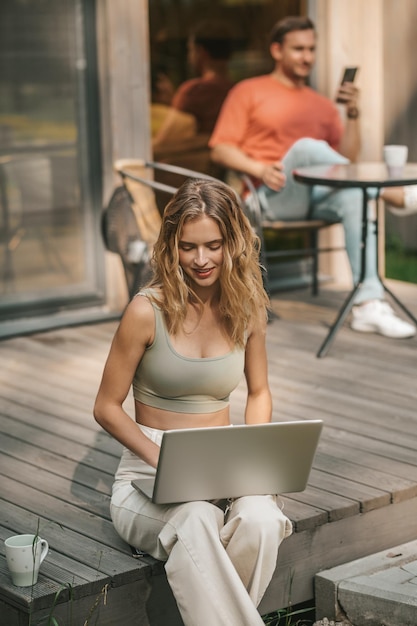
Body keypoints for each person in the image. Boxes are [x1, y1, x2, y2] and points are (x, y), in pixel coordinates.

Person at [94, 178, 292, 626]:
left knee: (261, 519)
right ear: (171, 246)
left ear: (233, 243)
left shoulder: (248, 308)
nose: (201, 260)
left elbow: (259, 392)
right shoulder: (147, 311)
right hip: (145, 474)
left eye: (213, 245)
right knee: (197, 520)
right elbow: (106, 406)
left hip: (222, 464)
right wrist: (162, 459)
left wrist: (257, 456)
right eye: (188, 247)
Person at [210, 15, 416, 339]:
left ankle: (368, 306)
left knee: (352, 194)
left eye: (311, 49)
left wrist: (353, 114)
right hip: (271, 195)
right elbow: (220, 149)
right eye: (298, 49)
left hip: (316, 198)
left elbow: (345, 162)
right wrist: (258, 168)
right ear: (276, 51)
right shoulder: (248, 91)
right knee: (307, 148)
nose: (307, 57)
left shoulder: (322, 105)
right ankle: (397, 196)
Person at [153, 20, 234, 148]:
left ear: (200, 52)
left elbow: (165, 141)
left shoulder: (194, 91)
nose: (189, 57)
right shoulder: (239, 90)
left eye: (190, 50)